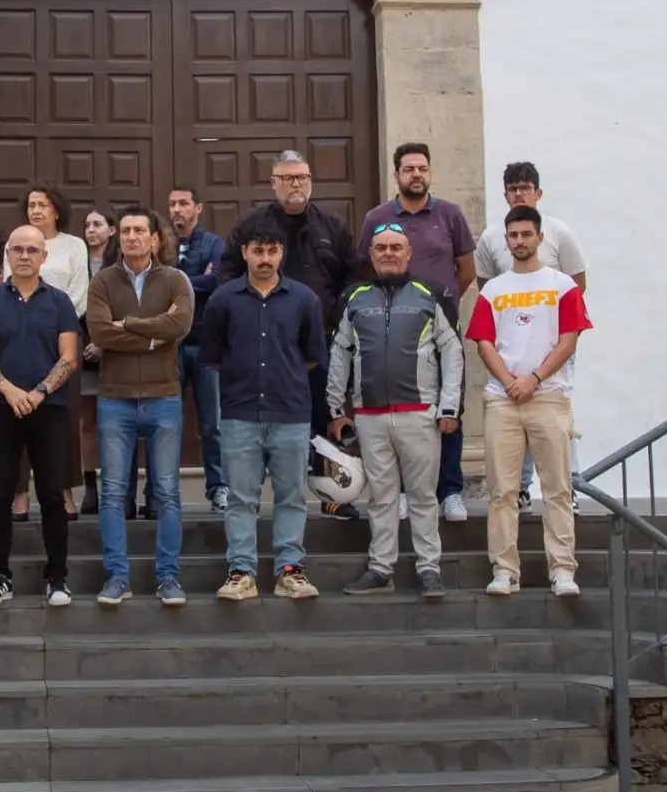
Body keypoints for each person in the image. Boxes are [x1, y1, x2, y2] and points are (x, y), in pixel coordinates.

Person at [326, 222, 464, 599]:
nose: (388, 253)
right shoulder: (354, 297)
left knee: (421, 495)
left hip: (419, 413)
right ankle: (380, 567)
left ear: (408, 253)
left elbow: (453, 352)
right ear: (371, 255)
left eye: (395, 247)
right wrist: (336, 408)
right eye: (381, 247)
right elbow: (340, 352)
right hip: (369, 416)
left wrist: (450, 406)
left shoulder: (430, 294)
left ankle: (429, 568)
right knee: (382, 496)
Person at [217, 151, 355, 514]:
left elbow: (352, 278)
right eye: (289, 177)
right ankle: (252, 497)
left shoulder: (333, 226)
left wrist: (336, 320)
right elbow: (228, 275)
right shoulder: (250, 224)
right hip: (265, 340)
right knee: (269, 422)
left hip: (320, 339)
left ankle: (334, 497)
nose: (297, 184)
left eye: (303, 177)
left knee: (326, 415)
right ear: (273, 183)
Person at [468, 205, 593, 599]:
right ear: (506, 241)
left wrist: (534, 378)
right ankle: (505, 569)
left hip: (549, 397)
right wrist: (509, 382)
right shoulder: (492, 289)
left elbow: (570, 337)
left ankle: (562, 569)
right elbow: (483, 341)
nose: (519, 241)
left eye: (526, 234)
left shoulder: (562, 286)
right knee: (503, 491)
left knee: (556, 489)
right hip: (503, 400)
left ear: (539, 237)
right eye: (513, 235)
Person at [201, 219, 325, 600]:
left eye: (272, 251)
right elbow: (215, 357)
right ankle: (241, 571)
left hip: (290, 413)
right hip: (239, 414)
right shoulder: (223, 300)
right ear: (245, 253)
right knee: (241, 498)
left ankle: (290, 569)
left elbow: (310, 357)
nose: (265, 258)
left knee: (291, 496)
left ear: (281, 253)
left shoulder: (305, 299)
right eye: (258, 250)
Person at [357, 142, 477, 523]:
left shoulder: (450, 215)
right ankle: (407, 491)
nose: (416, 175)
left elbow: (466, 271)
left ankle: (451, 490)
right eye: (409, 169)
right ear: (396, 175)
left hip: (442, 327)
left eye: (422, 168)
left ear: (430, 172)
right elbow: (368, 266)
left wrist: (439, 303)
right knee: (403, 411)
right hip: (395, 330)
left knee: (449, 405)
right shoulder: (377, 217)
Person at [0, 224, 83, 607]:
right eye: (17, 249)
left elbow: (68, 356)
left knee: (53, 495)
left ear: (43, 257)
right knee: (0, 495)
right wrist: (10, 391)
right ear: (8, 255)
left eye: (31, 250)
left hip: (48, 409)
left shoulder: (60, 302)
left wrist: (37, 392)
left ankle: (58, 577)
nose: (23, 256)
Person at [88, 206, 193, 607]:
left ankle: (168, 577)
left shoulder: (175, 280)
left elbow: (179, 326)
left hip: (163, 397)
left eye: (140, 231)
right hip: (115, 400)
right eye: (127, 231)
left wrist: (125, 325)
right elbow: (98, 331)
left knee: (167, 492)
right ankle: (117, 576)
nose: (132, 237)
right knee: (114, 493)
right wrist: (152, 333)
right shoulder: (102, 282)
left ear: (155, 239)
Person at [473, 161, 589, 514]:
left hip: (553, 344)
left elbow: (577, 283)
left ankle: (570, 486)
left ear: (538, 192)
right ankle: (520, 487)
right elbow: (486, 289)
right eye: (512, 188)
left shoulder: (559, 232)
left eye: (525, 187)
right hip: (511, 346)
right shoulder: (491, 237)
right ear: (504, 194)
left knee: (555, 416)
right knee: (514, 410)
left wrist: (555, 329)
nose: (519, 193)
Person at [12, 183, 87, 520]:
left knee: (63, 420)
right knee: (19, 415)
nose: (37, 210)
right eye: (32, 205)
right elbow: (12, 285)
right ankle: (21, 494)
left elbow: (80, 292)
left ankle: (64, 491)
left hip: (63, 337)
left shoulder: (74, 245)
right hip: (20, 337)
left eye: (43, 204)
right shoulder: (15, 243)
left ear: (56, 209)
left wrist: (52, 317)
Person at [168, 184, 227, 514]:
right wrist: (192, 281)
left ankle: (218, 487)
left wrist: (177, 282)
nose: (177, 209)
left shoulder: (215, 244)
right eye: (173, 204)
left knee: (212, 423)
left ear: (198, 208)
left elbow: (218, 281)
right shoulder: (162, 245)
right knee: (167, 422)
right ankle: (163, 492)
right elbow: (155, 283)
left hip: (205, 345)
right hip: (169, 347)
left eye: (184, 203)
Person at [78, 206, 119, 515]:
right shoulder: (76, 262)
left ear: (112, 230)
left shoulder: (119, 265)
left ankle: (117, 487)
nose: (90, 230)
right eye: (87, 225)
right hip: (80, 349)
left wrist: (104, 342)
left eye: (97, 224)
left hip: (115, 353)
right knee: (87, 422)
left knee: (116, 422)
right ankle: (89, 485)